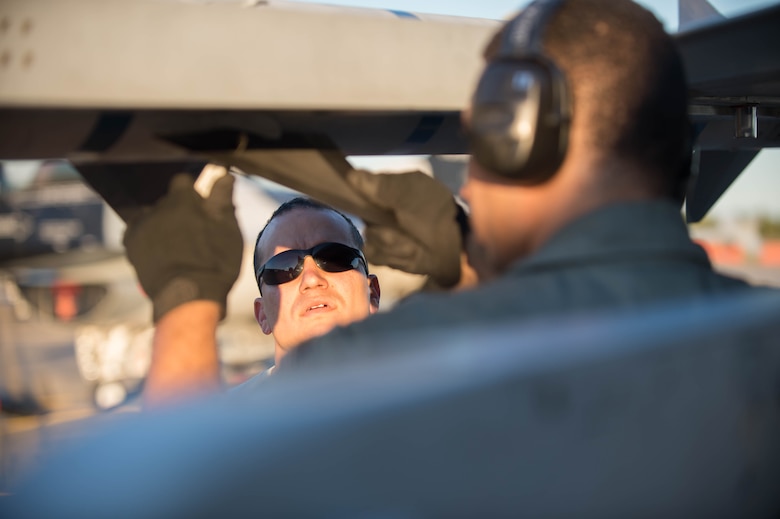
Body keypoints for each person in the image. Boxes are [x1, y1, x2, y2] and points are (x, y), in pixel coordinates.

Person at [123, 176, 379, 405]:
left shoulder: (419, 396)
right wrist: (186, 294)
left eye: (335, 257)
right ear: (262, 315)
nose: (311, 279)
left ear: (373, 293)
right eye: (284, 267)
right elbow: (177, 453)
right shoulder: (230, 418)